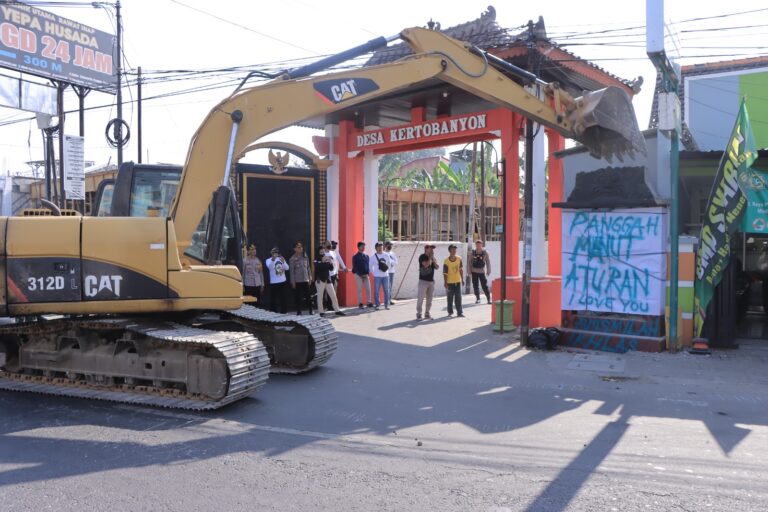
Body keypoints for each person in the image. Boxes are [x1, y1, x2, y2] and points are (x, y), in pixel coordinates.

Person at [314, 246, 345, 317]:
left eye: (323, 250)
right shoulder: (316, 259)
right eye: (320, 250)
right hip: (320, 280)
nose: (322, 251)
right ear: (318, 251)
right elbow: (317, 268)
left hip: (328, 280)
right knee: (320, 296)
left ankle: (337, 310)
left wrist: (331, 262)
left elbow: (331, 269)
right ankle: (321, 312)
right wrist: (322, 261)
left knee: (333, 295)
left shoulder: (326, 258)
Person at [289, 241, 312, 315]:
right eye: (298, 247)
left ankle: (311, 310)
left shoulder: (305, 256)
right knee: (298, 297)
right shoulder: (292, 259)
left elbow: (308, 268)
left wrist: (310, 277)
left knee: (308, 296)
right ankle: (299, 311)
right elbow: (291, 272)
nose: (300, 248)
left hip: (305, 279)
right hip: (297, 281)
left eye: (301, 247)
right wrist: (293, 282)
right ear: (295, 249)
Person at [416, 244, 439, 320]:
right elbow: (426, 265)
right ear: (426, 249)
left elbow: (437, 267)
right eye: (431, 248)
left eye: (433, 248)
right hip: (423, 281)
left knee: (429, 299)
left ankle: (427, 314)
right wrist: (430, 257)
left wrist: (433, 258)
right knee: (421, 298)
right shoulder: (422, 256)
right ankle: (419, 314)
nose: (432, 250)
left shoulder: (432, 257)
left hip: (431, 281)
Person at [443, 244, 464, 317]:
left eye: (455, 249)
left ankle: (460, 312)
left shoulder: (459, 259)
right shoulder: (446, 261)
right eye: (452, 249)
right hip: (449, 282)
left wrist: (462, 279)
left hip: (457, 281)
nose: (454, 251)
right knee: (450, 298)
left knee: (458, 297)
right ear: (449, 251)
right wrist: (445, 282)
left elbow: (461, 269)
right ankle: (450, 312)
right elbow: (445, 273)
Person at [265, 246, 288, 314]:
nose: (275, 254)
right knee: (273, 298)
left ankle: (284, 311)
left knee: (283, 298)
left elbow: (287, 268)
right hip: (274, 282)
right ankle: (273, 312)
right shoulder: (268, 260)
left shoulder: (281, 259)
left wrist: (283, 262)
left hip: (282, 281)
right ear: (271, 253)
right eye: (274, 252)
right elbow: (270, 267)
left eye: (276, 252)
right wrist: (273, 259)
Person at [352, 241, 373, 308]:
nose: (363, 247)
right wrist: (361, 274)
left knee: (368, 288)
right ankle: (360, 303)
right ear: (358, 247)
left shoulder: (366, 256)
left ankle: (369, 302)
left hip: (366, 275)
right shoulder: (355, 256)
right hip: (358, 275)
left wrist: (367, 273)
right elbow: (355, 267)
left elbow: (368, 266)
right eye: (362, 246)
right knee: (359, 289)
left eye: (364, 246)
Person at [470, 239, 492, 304]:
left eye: (479, 244)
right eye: (477, 244)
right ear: (475, 245)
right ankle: (478, 298)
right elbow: (469, 261)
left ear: (482, 245)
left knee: (484, 285)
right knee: (475, 285)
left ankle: (488, 299)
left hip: (481, 271)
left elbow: (488, 262)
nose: (478, 246)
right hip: (474, 271)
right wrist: (469, 270)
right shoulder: (473, 252)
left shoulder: (485, 252)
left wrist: (488, 270)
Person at [371, 241, 392, 310]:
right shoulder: (373, 257)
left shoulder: (386, 255)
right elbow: (370, 267)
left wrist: (386, 270)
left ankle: (386, 305)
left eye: (381, 246)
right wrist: (374, 273)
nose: (380, 248)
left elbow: (389, 264)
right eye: (378, 247)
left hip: (385, 276)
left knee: (386, 290)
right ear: (376, 248)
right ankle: (377, 305)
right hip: (377, 276)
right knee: (377, 291)